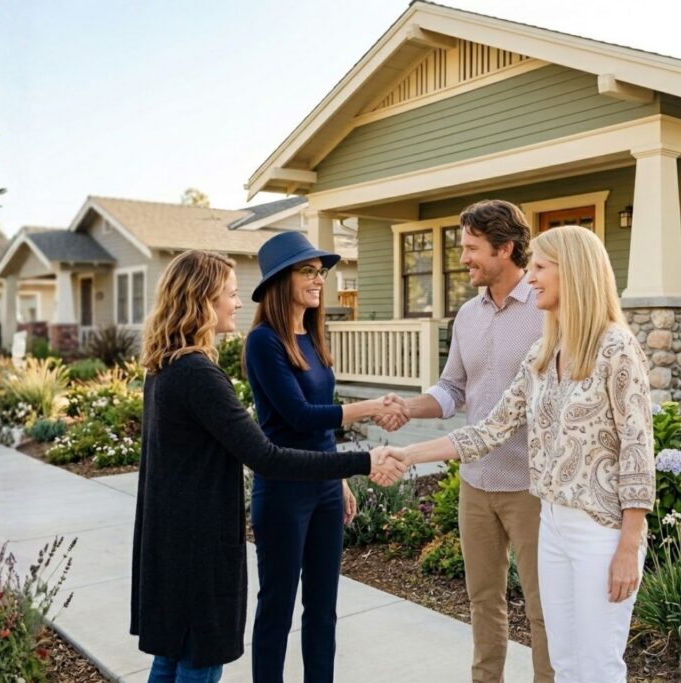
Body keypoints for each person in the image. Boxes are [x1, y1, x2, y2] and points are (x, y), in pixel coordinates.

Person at [389, 225, 655, 683]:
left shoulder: (616, 347)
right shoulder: (543, 351)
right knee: (565, 661)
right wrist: (409, 454)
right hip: (551, 522)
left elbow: (637, 447)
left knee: (598, 666)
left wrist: (629, 545)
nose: (531, 278)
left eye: (540, 268)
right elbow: (488, 429)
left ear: (573, 272)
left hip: (600, 530)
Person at [129, 249, 406, 683]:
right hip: (199, 544)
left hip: (174, 537)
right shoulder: (199, 373)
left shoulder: (164, 368)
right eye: (231, 295)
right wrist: (364, 460)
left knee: (172, 657)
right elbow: (266, 455)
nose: (238, 305)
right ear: (202, 299)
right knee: (199, 661)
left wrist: (337, 473)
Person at [379, 199, 552, 682]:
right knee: (482, 602)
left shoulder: (546, 309)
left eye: (472, 248)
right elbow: (453, 388)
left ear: (506, 248)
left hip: (531, 486)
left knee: (543, 608)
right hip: (476, 482)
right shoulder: (467, 316)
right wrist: (407, 407)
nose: (462, 259)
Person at [243, 231, 409, 683]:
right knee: (276, 607)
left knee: (323, 607)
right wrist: (371, 407)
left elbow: (319, 426)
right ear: (282, 280)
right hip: (282, 490)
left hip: (323, 488)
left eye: (321, 272)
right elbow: (298, 416)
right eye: (309, 271)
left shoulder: (313, 337)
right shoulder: (263, 342)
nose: (320, 281)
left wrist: (337, 477)